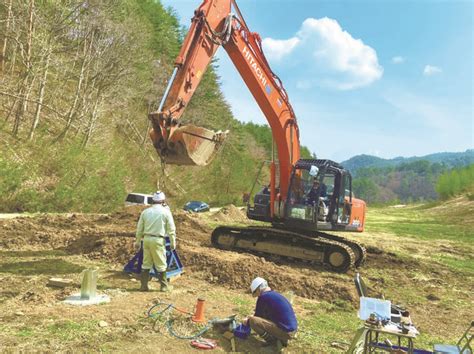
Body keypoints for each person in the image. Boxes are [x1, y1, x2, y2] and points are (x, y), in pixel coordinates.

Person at [135, 191, 176, 292]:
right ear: (163, 200)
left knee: (146, 263)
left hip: (146, 239)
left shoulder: (146, 212)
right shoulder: (166, 212)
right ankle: (164, 286)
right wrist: (172, 242)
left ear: (153, 200)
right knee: (161, 263)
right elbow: (171, 229)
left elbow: (139, 228)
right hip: (158, 240)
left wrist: (137, 241)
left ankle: (143, 286)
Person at [243, 277, 298, 348]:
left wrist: (247, 321)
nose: (257, 295)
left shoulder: (263, 297)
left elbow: (256, 318)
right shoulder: (274, 295)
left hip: (286, 332)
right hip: (292, 330)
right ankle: (281, 339)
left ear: (259, 289)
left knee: (252, 321)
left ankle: (273, 342)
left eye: (255, 292)